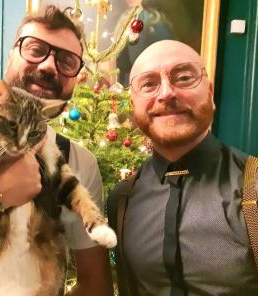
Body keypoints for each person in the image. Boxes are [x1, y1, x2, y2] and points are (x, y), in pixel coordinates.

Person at [0, 5, 113, 296]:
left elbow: (96, 285)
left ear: (75, 77)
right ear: (10, 55)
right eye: (35, 48)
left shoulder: (80, 161)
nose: (47, 66)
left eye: (66, 61)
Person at [107, 40, 258, 295]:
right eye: (149, 84)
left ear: (209, 93)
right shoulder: (121, 201)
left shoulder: (253, 188)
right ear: (133, 106)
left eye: (184, 77)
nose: (166, 93)